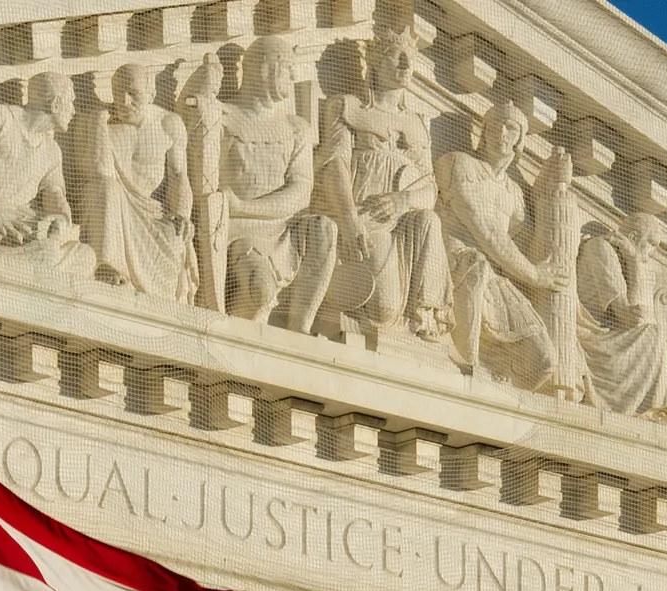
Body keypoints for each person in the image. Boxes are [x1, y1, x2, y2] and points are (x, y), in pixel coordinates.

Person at [180, 38, 336, 331]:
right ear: (265, 68)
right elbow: (191, 145)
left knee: (324, 228)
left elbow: (302, 193)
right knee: (259, 292)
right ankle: (237, 338)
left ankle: (299, 329)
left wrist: (245, 206)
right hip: (238, 232)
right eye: (288, 68)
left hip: (281, 229)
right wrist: (203, 93)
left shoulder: (296, 128)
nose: (292, 77)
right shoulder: (223, 116)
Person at [314, 28, 451, 342]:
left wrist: (403, 201)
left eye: (410, 59)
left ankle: (424, 315)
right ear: (374, 60)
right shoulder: (348, 107)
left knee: (430, 220)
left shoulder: (416, 125)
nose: (405, 64)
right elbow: (333, 165)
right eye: (395, 56)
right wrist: (348, 222)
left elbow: (429, 190)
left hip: (401, 224)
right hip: (361, 220)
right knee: (383, 309)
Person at [434, 101, 561, 388]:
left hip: (495, 278)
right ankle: (464, 367)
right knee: (475, 265)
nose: (502, 132)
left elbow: (527, 242)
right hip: (454, 261)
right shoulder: (458, 164)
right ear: (485, 130)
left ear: (520, 140)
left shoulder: (515, 196)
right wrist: (534, 275)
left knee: (544, 361)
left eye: (512, 128)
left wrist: (553, 186)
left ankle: (498, 392)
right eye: (497, 125)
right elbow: (486, 232)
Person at [0, 72, 93, 277]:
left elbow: (54, 196)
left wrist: (61, 220)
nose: (74, 111)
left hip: (25, 234)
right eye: (71, 103)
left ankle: (1, 264)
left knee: (85, 256)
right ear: (56, 104)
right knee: (48, 256)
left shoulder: (52, 151)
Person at [79, 63, 195, 301]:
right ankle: (107, 264)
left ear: (151, 94)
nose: (124, 100)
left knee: (175, 238)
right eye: (118, 91)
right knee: (108, 188)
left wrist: (182, 213)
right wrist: (99, 124)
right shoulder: (100, 123)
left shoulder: (168, 124)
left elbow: (178, 176)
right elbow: (99, 171)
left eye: (133, 93)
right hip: (111, 208)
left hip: (151, 213)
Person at [576, 213, 667, 424]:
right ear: (634, 238)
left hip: (617, 341)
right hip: (595, 337)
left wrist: (634, 261)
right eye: (651, 244)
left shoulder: (627, 260)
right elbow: (629, 318)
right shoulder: (600, 248)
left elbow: (639, 316)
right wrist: (635, 261)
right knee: (654, 335)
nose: (651, 254)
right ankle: (642, 412)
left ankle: (646, 411)